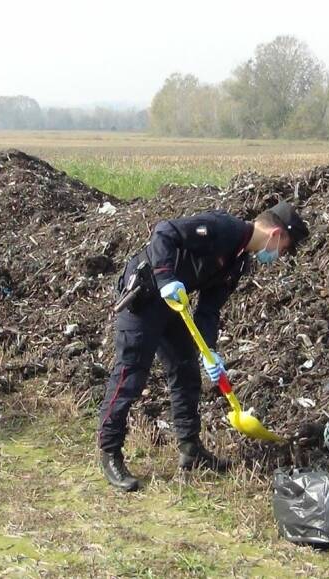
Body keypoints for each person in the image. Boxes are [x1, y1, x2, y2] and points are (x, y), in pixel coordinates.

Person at [99, 201, 308, 491]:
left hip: (174, 306)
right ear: (276, 234)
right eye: (285, 248)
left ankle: (190, 449)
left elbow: (209, 310)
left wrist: (209, 351)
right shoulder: (224, 228)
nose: (280, 256)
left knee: (185, 373)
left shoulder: (239, 263)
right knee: (130, 376)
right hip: (144, 297)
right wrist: (166, 278)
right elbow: (164, 232)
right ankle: (110, 452)